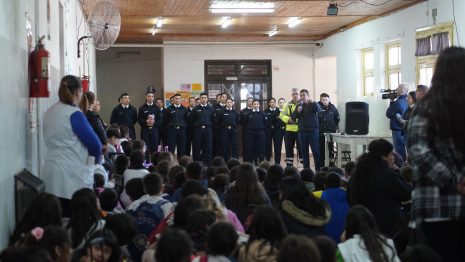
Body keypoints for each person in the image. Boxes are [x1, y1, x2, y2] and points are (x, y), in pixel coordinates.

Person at [407, 47, 465, 262]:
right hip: (438, 207)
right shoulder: (427, 107)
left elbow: (418, 152)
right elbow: (419, 152)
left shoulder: (424, 107)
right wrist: (457, 181)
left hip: (435, 207)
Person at [42, 75, 102, 213]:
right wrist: (94, 164)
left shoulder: (50, 111)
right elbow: (96, 145)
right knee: (73, 219)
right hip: (71, 176)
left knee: (56, 217)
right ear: (78, 92)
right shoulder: (74, 114)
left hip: (50, 172)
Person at [348, 139, 411, 237]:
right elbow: (406, 194)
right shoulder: (388, 174)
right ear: (383, 156)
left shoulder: (356, 173)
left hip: (361, 224)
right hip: (386, 228)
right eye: (391, 154)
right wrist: (398, 172)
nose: (393, 158)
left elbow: (349, 197)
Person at [292, 89, 322, 170]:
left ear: (308, 96)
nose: (302, 97)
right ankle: (306, 170)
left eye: (303, 95)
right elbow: (293, 117)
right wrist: (298, 111)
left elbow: (319, 110)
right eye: (300, 96)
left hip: (313, 131)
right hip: (302, 132)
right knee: (304, 152)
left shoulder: (312, 104)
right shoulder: (299, 105)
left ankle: (318, 170)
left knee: (315, 151)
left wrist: (313, 102)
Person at [321, 173, 349, 243]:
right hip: (346, 240)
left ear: (325, 184)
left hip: (326, 241)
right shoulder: (350, 196)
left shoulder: (319, 195)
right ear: (340, 184)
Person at [385, 84, 409, 161]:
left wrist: (392, 100)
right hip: (405, 129)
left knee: (399, 152)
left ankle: (401, 169)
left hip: (397, 130)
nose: (395, 89)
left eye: (397, 88)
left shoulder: (398, 102)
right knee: (405, 151)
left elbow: (388, 114)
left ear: (402, 91)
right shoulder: (407, 101)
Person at [138, 87, 163, 159]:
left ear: (153, 97)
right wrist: (146, 121)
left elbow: (161, 120)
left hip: (154, 130)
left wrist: (153, 123)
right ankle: (146, 164)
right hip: (145, 130)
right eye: (149, 96)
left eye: (152, 96)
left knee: (155, 148)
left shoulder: (157, 108)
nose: (151, 98)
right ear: (146, 97)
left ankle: (154, 164)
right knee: (145, 148)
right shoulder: (142, 108)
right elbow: (139, 120)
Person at [279, 88, 302, 167]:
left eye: (297, 94)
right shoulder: (287, 104)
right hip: (289, 130)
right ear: (291, 95)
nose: (295, 95)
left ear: (299, 95)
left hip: (300, 130)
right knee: (288, 149)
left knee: (301, 148)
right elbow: (281, 115)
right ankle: (289, 167)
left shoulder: (303, 104)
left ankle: (304, 166)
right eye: (294, 94)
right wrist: (288, 119)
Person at [191, 93, 214, 165]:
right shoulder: (195, 109)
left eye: (205, 98)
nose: (204, 99)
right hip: (198, 130)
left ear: (207, 99)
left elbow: (214, 120)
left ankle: (207, 163)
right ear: (200, 99)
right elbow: (191, 120)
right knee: (197, 147)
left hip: (208, 130)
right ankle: (196, 163)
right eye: (202, 98)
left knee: (208, 147)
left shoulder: (211, 108)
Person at [317, 93, 340, 167]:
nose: (325, 101)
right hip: (320, 132)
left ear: (329, 100)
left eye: (326, 100)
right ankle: (321, 163)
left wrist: (333, 127)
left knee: (330, 147)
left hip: (330, 132)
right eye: (323, 100)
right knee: (321, 148)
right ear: (320, 100)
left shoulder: (332, 107)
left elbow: (337, 118)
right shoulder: (317, 107)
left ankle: (331, 162)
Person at [163, 93, 188, 158]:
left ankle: (182, 164)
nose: (178, 100)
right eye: (176, 98)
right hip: (171, 131)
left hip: (182, 131)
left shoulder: (185, 109)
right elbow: (165, 121)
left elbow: (187, 121)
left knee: (182, 149)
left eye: (179, 98)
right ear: (173, 100)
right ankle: (170, 164)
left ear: (181, 100)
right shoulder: (168, 109)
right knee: (171, 149)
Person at [244, 100, 267, 165]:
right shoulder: (248, 113)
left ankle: (261, 163)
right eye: (254, 104)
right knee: (250, 148)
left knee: (261, 148)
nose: (256, 105)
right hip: (250, 133)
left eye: (257, 104)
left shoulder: (263, 113)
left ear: (259, 105)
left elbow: (266, 123)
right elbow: (245, 123)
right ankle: (251, 163)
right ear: (252, 105)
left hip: (260, 133)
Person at [265, 98, 285, 164]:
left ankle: (277, 163)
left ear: (275, 103)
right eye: (271, 102)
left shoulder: (278, 111)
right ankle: (267, 162)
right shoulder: (266, 111)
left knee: (277, 147)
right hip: (268, 131)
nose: (272, 103)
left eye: (273, 102)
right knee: (268, 147)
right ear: (269, 103)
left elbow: (281, 121)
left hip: (277, 131)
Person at [212, 93, 227, 158]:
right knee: (217, 145)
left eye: (225, 97)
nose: (224, 98)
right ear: (220, 98)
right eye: (223, 97)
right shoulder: (214, 107)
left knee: (225, 145)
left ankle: (225, 160)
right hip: (217, 130)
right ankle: (216, 160)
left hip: (226, 130)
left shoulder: (229, 107)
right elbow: (212, 118)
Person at [240, 97, 254, 163]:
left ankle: (253, 161)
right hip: (246, 132)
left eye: (252, 101)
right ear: (247, 102)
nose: (250, 102)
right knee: (246, 147)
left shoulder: (256, 110)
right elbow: (241, 122)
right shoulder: (243, 111)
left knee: (253, 147)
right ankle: (245, 161)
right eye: (249, 101)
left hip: (254, 133)